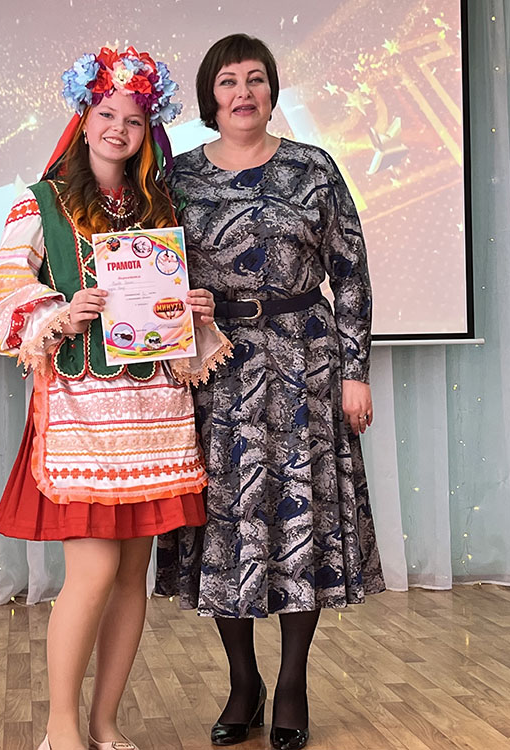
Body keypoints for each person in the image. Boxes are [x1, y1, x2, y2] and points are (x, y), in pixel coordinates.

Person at [0, 46, 226, 750]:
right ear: (84, 118)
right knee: (90, 573)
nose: (119, 128)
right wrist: (62, 312)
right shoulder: (42, 202)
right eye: (107, 114)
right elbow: (1, 296)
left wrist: (194, 309)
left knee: (129, 579)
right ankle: (60, 729)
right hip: (84, 413)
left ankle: (105, 724)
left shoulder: (159, 206)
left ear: (148, 131)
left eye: (134, 120)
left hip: (153, 416)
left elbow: (168, 314)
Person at [155, 33, 385, 750]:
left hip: (305, 366)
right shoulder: (178, 177)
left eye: (255, 79)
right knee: (227, 528)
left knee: (297, 522)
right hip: (216, 371)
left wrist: (355, 371)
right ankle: (241, 682)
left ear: (273, 90)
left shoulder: (313, 167)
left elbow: (350, 272)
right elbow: (154, 275)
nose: (243, 93)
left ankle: (290, 686)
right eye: (228, 81)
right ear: (210, 96)